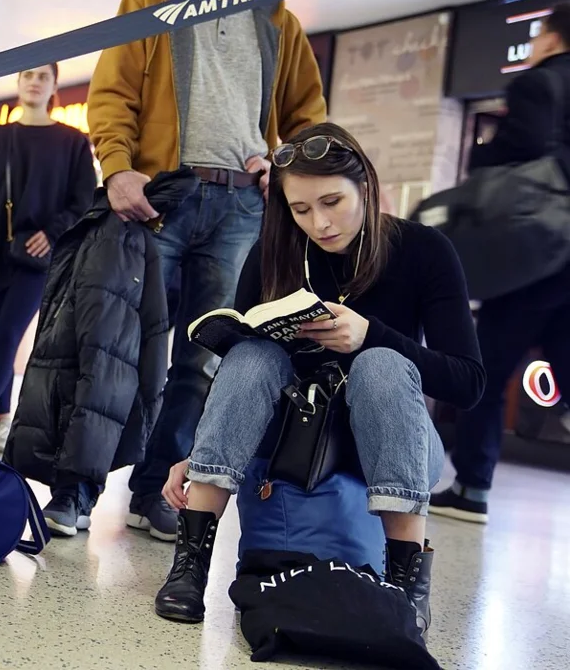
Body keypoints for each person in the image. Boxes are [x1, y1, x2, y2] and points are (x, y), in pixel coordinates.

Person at [153, 124, 484, 633]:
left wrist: (372, 335)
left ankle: (406, 581)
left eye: (332, 201)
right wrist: (198, 454)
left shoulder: (424, 250)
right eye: (301, 210)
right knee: (252, 353)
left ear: (366, 187)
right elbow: (240, 374)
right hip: (290, 436)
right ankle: (191, 564)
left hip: (388, 436)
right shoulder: (276, 252)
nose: (321, 223)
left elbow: (468, 383)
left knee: (382, 363)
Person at [87, 0, 327, 541]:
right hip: (163, 196)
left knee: (200, 359)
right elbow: (112, 94)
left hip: (240, 210)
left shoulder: (278, 20)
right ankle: (77, 489)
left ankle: (153, 492)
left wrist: (283, 165)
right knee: (123, 348)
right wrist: (117, 168)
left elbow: (307, 114)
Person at [430, 2, 570, 525]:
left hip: (536, 252)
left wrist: (483, 155)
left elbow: (523, 147)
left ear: (553, 39)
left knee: (487, 365)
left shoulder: (540, 84)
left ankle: (472, 487)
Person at [0, 64, 97, 457]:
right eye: (27, 75)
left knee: (10, 334)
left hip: (39, 259)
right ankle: (4, 421)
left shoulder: (73, 142)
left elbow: (83, 200)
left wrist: (52, 232)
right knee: (0, 336)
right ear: (17, 83)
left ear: (53, 86)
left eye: (42, 77)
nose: (34, 81)